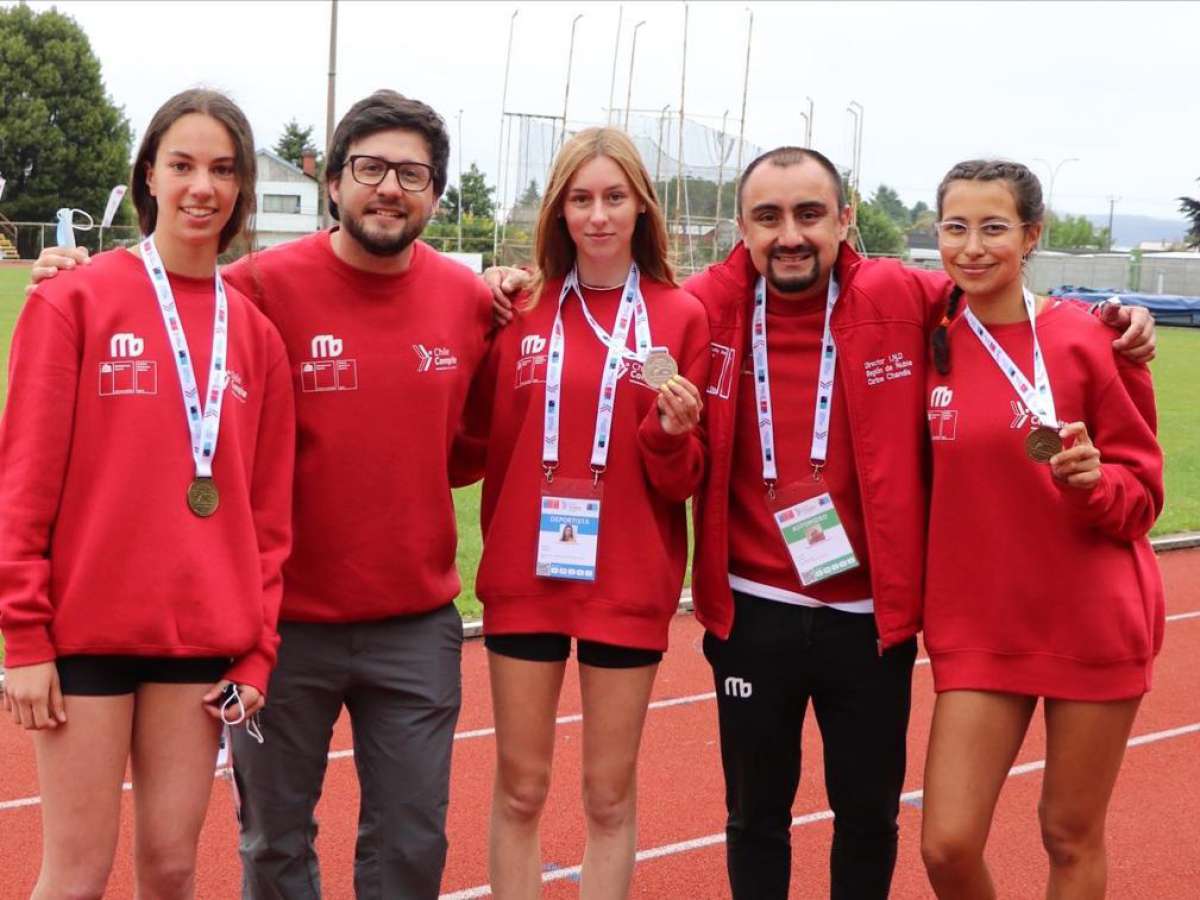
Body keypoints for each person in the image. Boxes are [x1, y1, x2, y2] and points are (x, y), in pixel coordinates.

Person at [486, 146, 1156, 899]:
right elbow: (676, 463)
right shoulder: (705, 307)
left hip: (869, 617)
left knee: (869, 819)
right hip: (753, 608)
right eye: (768, 218)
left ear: (845, 220)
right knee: (755, 819)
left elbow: (996, 290)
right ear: (742, 227)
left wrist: (1119, 321)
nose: (790, 235)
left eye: (810, 214)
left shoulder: (908, 295)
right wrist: (503, 282)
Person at [26, 90, 494, 900]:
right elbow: (28, 477)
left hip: (346, 630)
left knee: (389, 847)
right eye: (370, 167)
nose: (390, 186)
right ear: (335, 183)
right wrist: (26, 637)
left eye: (411, 173)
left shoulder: (452, 302)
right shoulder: (213, 295)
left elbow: (456, 454)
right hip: (197, 627)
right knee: (222, 851)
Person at [0, 89, 295, 900]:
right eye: (183, 165)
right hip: (85, 635)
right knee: (77, 872)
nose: (203, 186)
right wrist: (23, 637)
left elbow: (268, 519)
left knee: (170, 869)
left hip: (198, 646)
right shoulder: (75, 300)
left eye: (223, 169)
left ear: (240, 191)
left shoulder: (257, 336)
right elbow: (23, 481)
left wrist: (258, 649)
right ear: (150, 178)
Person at [462, 127, 709, 898]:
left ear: (641, 207)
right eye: (580, 199)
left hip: (628, 580)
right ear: (558, 212)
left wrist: (669, 437)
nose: (597, 216)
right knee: (520, 789)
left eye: (613, 197)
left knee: (608, 794)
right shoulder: (518, 310)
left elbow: (684, 482)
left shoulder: (681, 316)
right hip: (524, 576)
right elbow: (471, 439)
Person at [919, 160, 1164, 899]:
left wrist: (1096, 486)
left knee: (1068, 833)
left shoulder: (1091, 339)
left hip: (1090, 617)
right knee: (947, 845)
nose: (972, 247)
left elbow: (1144, 490)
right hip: (980, 623)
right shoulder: (926, 336)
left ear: (1031, 235)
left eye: (994, 228)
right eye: (955, 228)